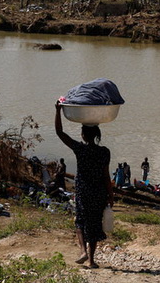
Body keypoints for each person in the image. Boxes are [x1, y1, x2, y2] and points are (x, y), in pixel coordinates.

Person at [55, 101, 114, 269]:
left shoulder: (80, 149)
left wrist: (58, 111)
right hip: (99, 192)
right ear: (96, 135)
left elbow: (60, 132)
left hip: (83, 191)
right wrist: (110, 195)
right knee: (94, 224)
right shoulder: (104, 152)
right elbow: (106, 175)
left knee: (80, 222)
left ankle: (83, 251)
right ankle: (92, 260)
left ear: (83, 135)